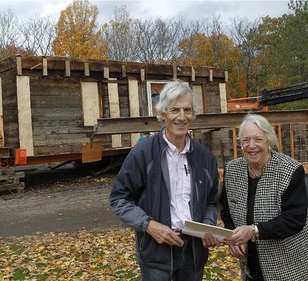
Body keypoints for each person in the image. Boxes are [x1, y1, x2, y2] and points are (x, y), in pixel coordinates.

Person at [110, 80, 220, 281]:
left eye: (187, 110)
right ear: (162, 114)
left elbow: (212, 202)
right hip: (156, 254)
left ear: (193, 115)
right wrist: (149, 225)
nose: (181, 117)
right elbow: (119, 199)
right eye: (174, 110)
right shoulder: (143, 154)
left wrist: (207, 225)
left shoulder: (205, 158)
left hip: (193, 254)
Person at [219, 113, 308, 281]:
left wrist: (254, 230)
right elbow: (227, 209)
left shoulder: (289, 170)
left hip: (287, 267)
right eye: (246, 140)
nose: (252, 146)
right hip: (250, 267)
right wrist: (233, 237)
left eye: (258, 139)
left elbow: (295, 219)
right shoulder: (232, 170)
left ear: (269, 140)